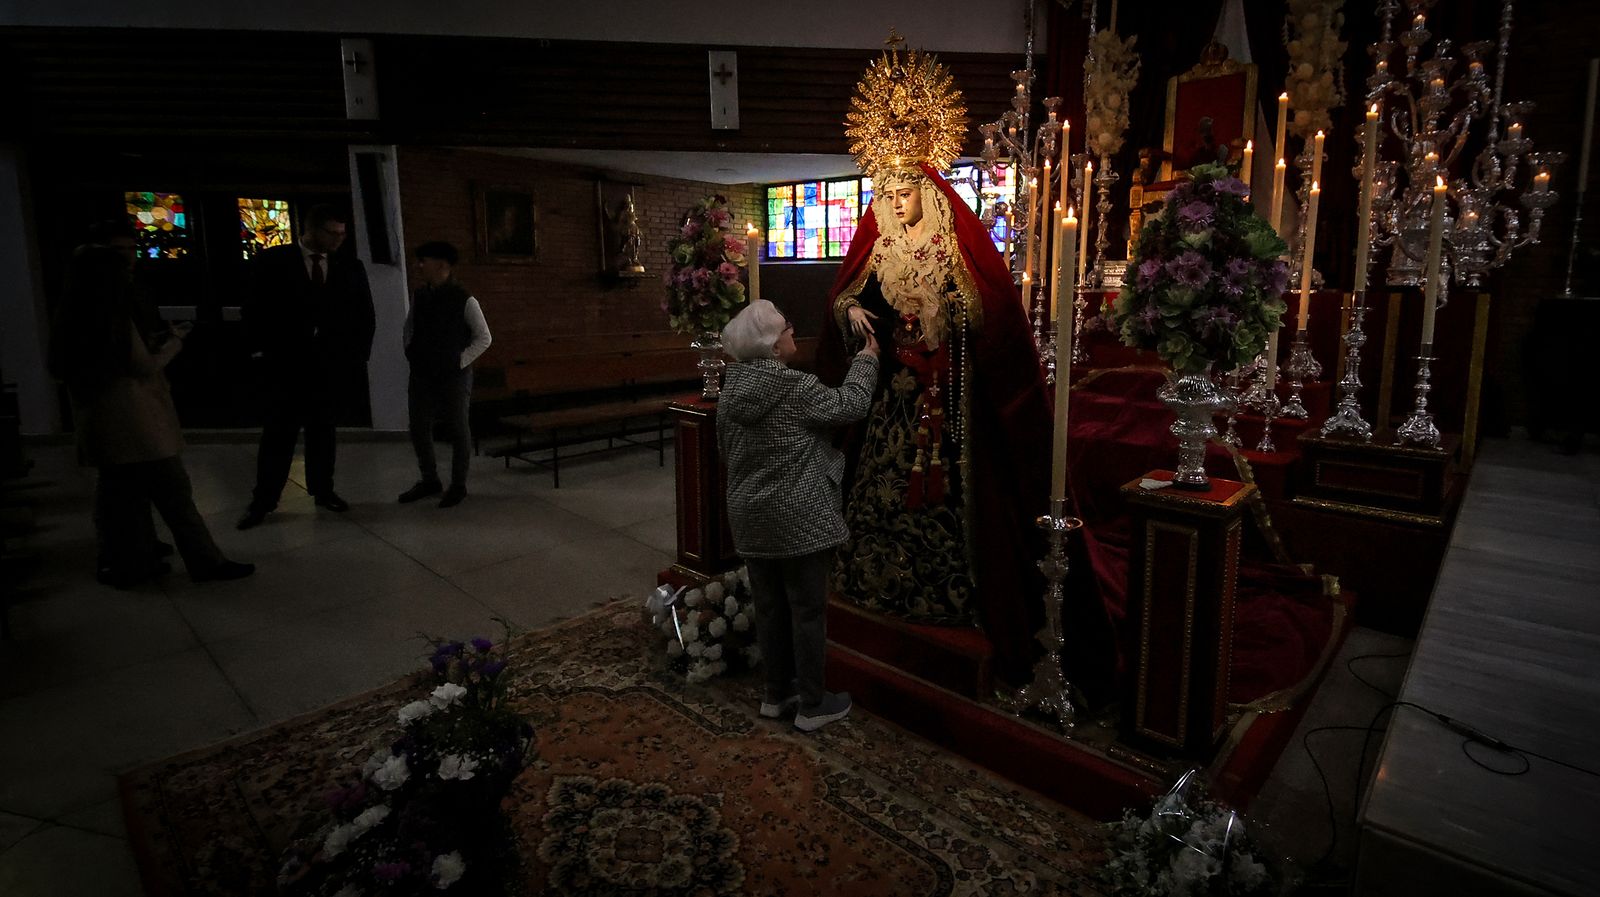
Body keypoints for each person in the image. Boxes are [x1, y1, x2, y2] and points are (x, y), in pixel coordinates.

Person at [821, 161, 1061, 689]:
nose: (898, 203)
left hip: (947, 399)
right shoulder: (880, 248)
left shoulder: (954, 249)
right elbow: (846, 294)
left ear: (926, 194)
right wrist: (850, 312)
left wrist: (952, 311)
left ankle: (952, 589)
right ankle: (873, 578)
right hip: (894, 397)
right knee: (879, 484)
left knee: (949, 491)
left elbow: (989, 314)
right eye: (891, 195)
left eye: (906, 193)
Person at [48, 221, 254, 587]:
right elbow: (141, 366)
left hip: (100, 419)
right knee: (174, 492)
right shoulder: (110, 314)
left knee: (117, 495)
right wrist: (174, 342)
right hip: (133, 416)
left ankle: (126, 561)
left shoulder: (71, 312)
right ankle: (205, 562)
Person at [717, 299, 879, 732]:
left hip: (749, 514)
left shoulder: (730, 391)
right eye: (787, 327)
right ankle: (812, 704)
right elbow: (849, 405)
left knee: (769, 608)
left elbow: (724, 453)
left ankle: (776, 693)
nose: (793, 332)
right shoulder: (794, 387)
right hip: (798, 517)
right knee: (807, 610)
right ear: (772, 348)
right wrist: (866, 361)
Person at [236, 205, 375, 530]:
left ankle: (323, 490)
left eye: (342, 234)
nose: (338, 240)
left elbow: (364, 316)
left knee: (323, 434)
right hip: (284, 367)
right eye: (332, 233)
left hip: (329, 368)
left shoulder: (350, 267)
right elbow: (253, 310)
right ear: (311, 230)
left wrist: (357, 359)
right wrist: (258, 353)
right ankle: (264, 500)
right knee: (278, 436)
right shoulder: (273, 262)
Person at [398, 241, 492, 507]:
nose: (418, 266)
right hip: (422, 372)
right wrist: (411, 351)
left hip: (454, 375)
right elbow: (410, 328)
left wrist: (459, 361)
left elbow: (483, 337)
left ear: (442, 265)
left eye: (423, 260)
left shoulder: (464, 298)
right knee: (418, 426)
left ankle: (458, 484)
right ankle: (430, 479)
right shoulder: (421, 295)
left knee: (458, 429)